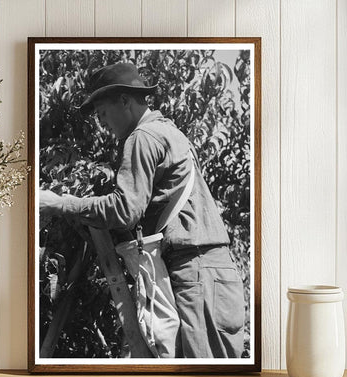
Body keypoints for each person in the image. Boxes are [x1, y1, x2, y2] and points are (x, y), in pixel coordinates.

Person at [40, 62, 245, 358]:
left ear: (124, 100)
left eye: (102, 113)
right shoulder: (170, 132)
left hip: (196, 269)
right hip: (212, 271)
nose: (101, 123)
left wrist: (58, 203)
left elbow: (124, 209)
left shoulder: (142, 138)